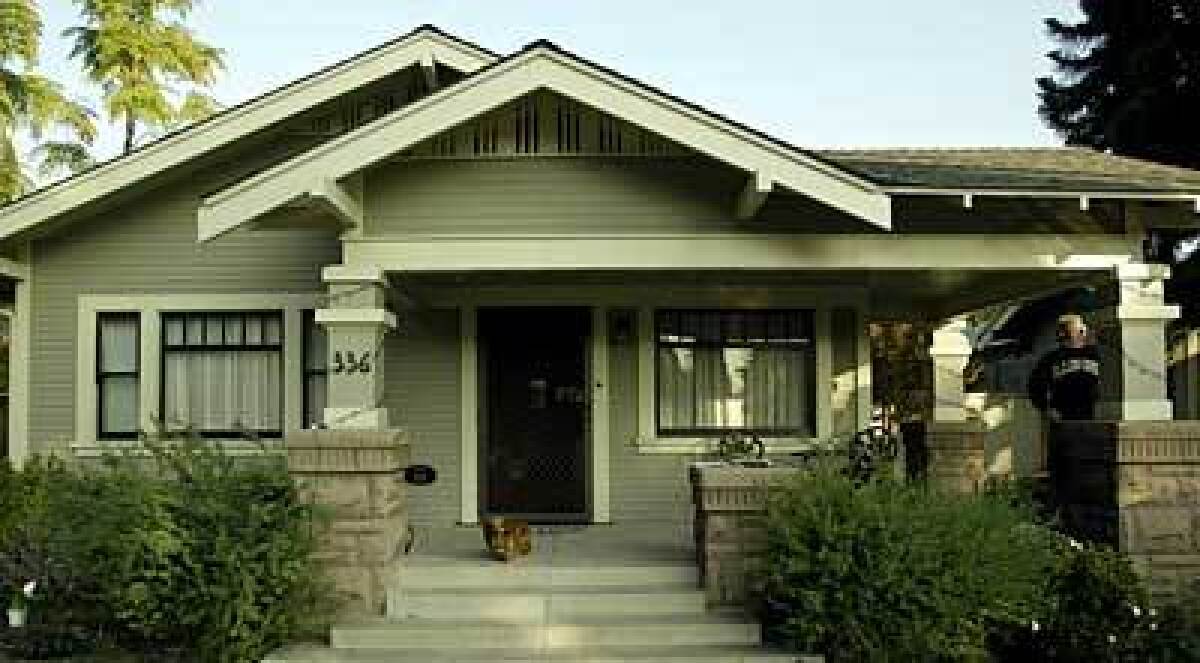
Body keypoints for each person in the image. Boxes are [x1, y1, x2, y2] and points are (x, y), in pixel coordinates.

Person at [1026, 313, 1101, 421]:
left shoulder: (1094, 355)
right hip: (1062, 418)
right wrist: (1047, 409)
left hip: (1090, 417)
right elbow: (1035, 386)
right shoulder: (1052, 359)